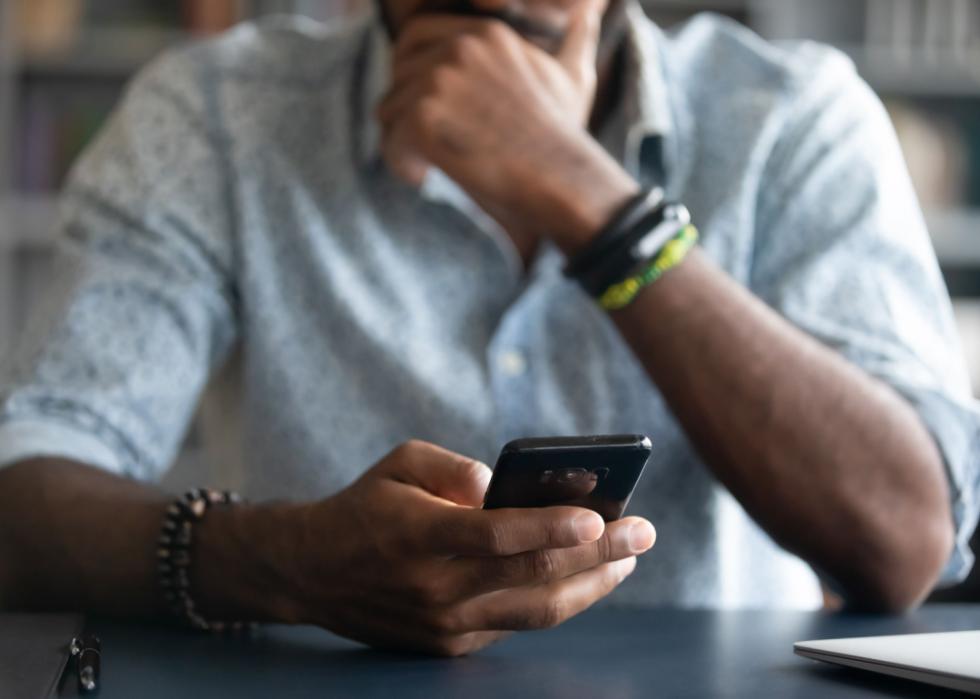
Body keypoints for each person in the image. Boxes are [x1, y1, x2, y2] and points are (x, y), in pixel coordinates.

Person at [0, 0, 977, 655]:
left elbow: (902, 541)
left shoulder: (791, 117)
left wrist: (599, 211)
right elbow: (25, 493)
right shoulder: (216, 114)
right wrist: (280, 562)